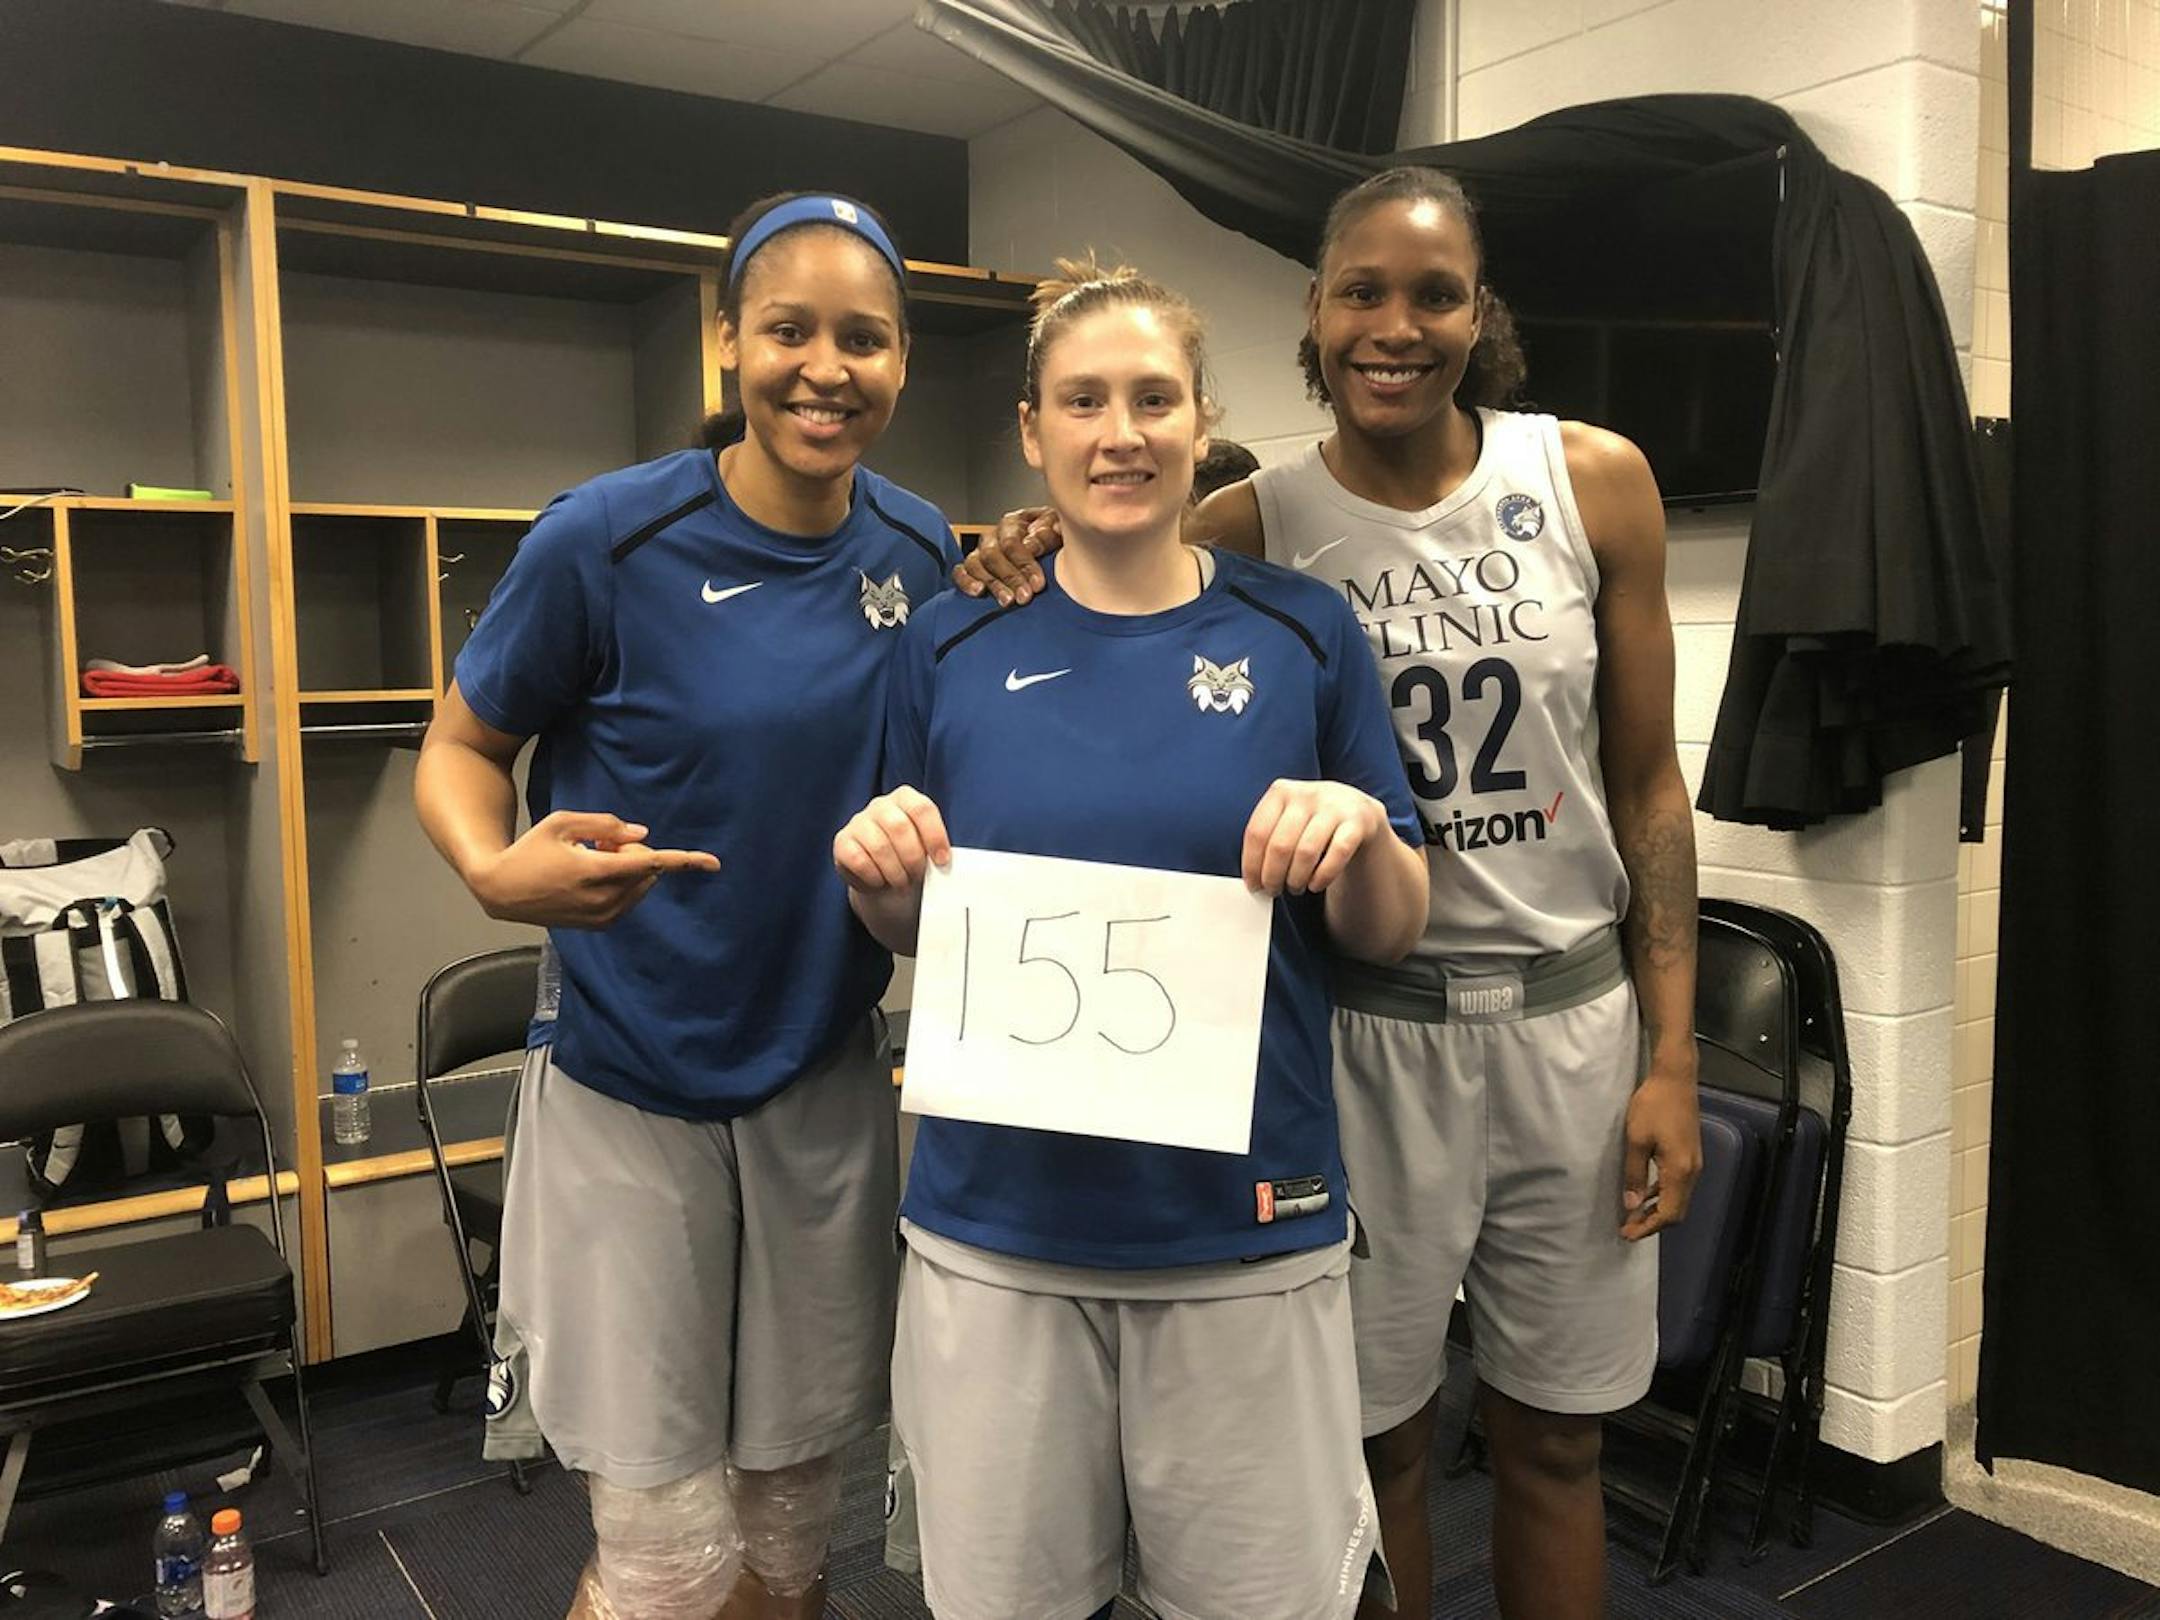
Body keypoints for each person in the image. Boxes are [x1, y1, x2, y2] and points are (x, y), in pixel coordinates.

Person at [956, 168, 1703, 1620]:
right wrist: (1026, 532)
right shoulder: (1259, 516)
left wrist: (1673, 1056)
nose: (1396, 324)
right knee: (1382, 1447)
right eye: (1362, 289)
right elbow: (1120, 545)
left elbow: (1649, 787)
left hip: (1570, 1026)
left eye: (1435, 293)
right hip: (1364, 1032)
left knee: (1559, 1436)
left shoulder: (1591, 478)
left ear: (1480, 314)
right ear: (1316, 310)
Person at [836, 257, 1430, 1620]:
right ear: (1033, 432)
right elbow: (908, 920)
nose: (1121, 432)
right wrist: (879, 872)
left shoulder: (1302, 632)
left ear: (1201, 419)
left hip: (1243, 1234)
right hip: (998, 1233)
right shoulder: (946, 645)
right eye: (1083, 401)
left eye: (1153, 397)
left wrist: (1355, 829)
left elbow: (1394, 928)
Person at [414, 190, 958, 1620]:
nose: (823, 369)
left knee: (787, 1549)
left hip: (823, 1089)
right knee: (665, 1567)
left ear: (903, 360)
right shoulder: (607, 536)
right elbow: (460, 750)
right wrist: (492, 866)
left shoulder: (920, 550)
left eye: (864, 339)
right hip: (632, 1090)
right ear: (729, 342)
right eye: (788, 329)